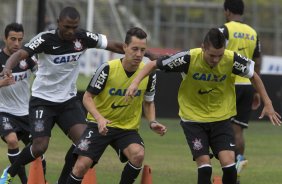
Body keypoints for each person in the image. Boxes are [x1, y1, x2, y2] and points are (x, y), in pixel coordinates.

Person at [126, 28, 281, 184]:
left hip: (221, 119)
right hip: (193, 120)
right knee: (205, 166)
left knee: (229, 166)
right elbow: (153, 64)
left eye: (219, 55)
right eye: (212, 55)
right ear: (203, 48)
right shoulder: (188, 58)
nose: (216, 60)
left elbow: (254, 75)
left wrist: (267, 103)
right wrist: (135, 83)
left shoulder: (231, 59)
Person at [0, 6, 127, 184]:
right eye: (67, 26)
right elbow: (21, 53)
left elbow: (112, 45)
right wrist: (7, 67)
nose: (71, 31)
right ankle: (9, 173)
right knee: (39, 147)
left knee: (83, 144)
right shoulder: (45, 39)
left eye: (74, 27)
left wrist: (140, 53)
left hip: (68, 101)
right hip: (42, 101)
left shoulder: (82, 37)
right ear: (59, 23)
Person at [66, 27, 167, 184]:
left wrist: (152, 121)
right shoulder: (107, 69)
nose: (139, 54)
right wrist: (99, 119)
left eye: (142, 50)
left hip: (126, 129)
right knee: (81, 166)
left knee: (138, 154)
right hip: (98, 125)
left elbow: (149, 102)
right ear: (125, 48)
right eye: (135, 49)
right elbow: (87, 97)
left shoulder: (148, 74)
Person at [219, 0, 261, 182]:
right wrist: (257, 90)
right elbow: (256, 60)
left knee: (222, 128)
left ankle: (228, 169)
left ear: (227, 11)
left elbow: (216, 53)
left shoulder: (225, 29)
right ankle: (237, 168)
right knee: (238, 131)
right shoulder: (253, 32)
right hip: (248, 84)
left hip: (229, 84)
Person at [0, 23, 47, 184]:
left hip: (26, 112)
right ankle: (23, 180)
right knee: (12, 140)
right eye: (12, 39)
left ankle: (42, 180)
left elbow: (42, 75)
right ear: (4, 38)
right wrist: (1, 83)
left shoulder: (27, 58)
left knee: (39, 149)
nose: (16, 43)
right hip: (4, 111)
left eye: (20, 40)